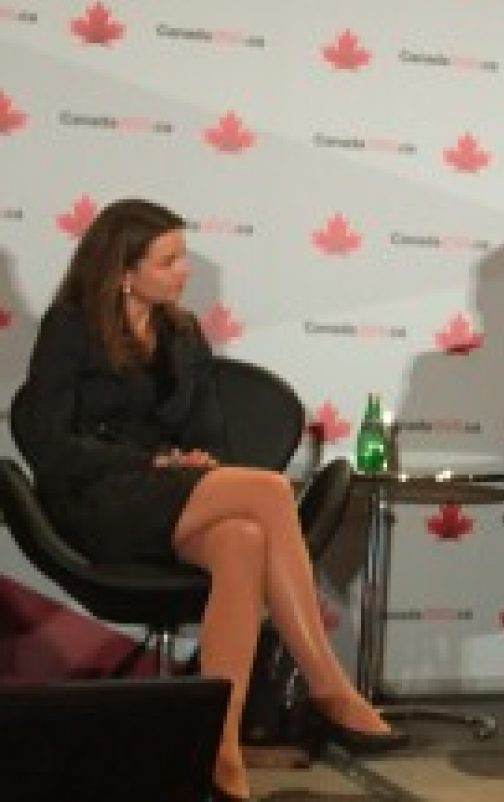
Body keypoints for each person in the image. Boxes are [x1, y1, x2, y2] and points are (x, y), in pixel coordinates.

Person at [12, 199, 406, 802]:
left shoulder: (182, 333)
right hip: (96, 500)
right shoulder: (70, 327)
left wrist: (196, 459)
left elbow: (210, 436)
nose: (184, 271)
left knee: (242, 539)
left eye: (183, 257)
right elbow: (46, 442)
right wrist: (153, 462)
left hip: (169, 496)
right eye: (168, 261)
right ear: (123, 271)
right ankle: (329, 686)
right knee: (269, 490)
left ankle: (219, 748)